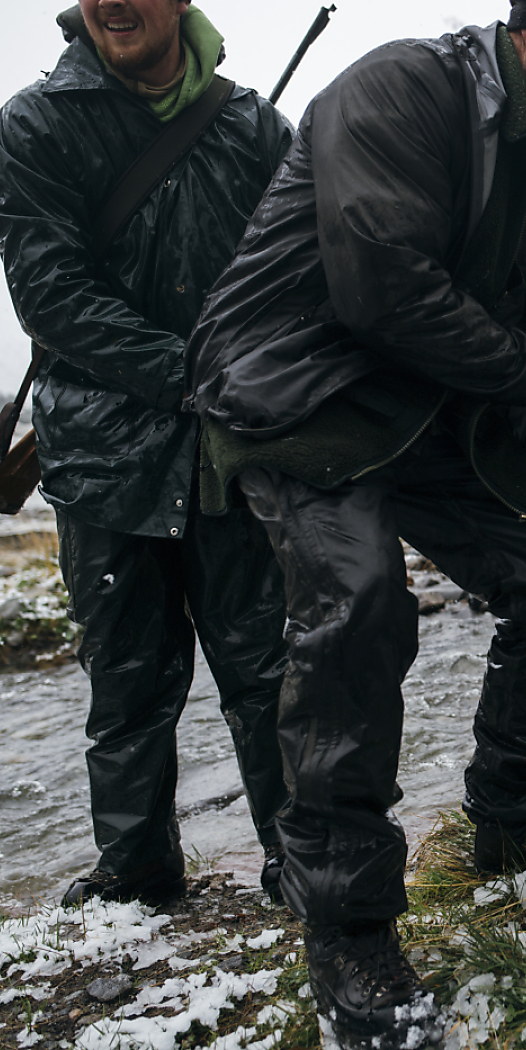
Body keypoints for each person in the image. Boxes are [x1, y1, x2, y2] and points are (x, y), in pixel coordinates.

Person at [184, 1, 526, 1044]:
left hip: (421, 407)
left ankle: (513, 818)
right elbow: (381, 288)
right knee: (358, 606)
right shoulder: (402, 87)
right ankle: (348, 930)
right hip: (296, 395)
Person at [0, 1, 292, 907]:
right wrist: (193, 371)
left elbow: (303, 273)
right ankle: (136, 878)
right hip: (100, 462)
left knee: (268, 671)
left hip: (232, 453)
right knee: (125, 684)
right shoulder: (34, 124)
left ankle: (305, 860)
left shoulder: (254, 127)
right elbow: (52, 297)